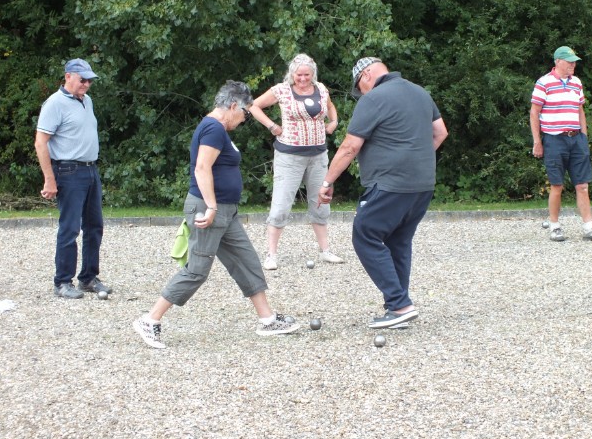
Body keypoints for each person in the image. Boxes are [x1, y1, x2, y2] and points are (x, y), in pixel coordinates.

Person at [133, 80, 300, 349]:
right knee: (197, 271)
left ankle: (267, 320)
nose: (244, 119)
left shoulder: (217, 129)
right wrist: (210, 207)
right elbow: (202, 168)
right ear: (233, 106)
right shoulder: (213, 128)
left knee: (246, 260)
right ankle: (150, 320)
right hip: (209, 209)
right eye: (244, 113)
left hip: (226, 211)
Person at [318, 57, 448, 329]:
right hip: (423, 183)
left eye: (359, 88)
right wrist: (415, 158)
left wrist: (327, 182)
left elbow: (350, 147)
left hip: (390, 183)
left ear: (366, 75)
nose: (361, 93)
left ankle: (399, 304)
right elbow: (440, 133)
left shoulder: (374, 99)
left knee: (365, 234)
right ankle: (398, 308)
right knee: (399, 241)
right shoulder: (420, 93)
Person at [249, 53, 344, 271]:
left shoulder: (321, 89)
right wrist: (272, 126)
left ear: (313, 74)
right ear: (292, 74)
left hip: (318, 155)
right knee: (281, 204)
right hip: (289, 157)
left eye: (307, 75)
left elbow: (330, 107)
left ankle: (325, 250)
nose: (302, 79)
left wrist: (334, 122)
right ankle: (271, 254)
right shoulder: (281, 90)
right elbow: (253, 106)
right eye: (299, 75)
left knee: (321, 201)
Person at [35, 58, 112, 299]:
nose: (86, 84)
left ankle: (88, 278)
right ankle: (62, 282)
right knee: (70, 228)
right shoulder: (54, 104)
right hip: (68, 171)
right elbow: (41, 142)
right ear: (68, 76)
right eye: (82, 79)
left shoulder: (87, 101)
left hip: (90, 169)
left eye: (90, 80)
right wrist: (49, 179)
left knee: (94, 226)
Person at [530, 46, 592, 243]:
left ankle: (589, 228)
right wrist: (537, 141)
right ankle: (555, 227)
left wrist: (584, 137)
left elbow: (580, 110)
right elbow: (534, 112)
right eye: (569, 61)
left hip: (576, 139)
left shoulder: (576, 83)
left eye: (574, 61)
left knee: (582, 185)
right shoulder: (544, 82)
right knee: (557, 185)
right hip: (554, 139)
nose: (573, 65)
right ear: (558, 61)